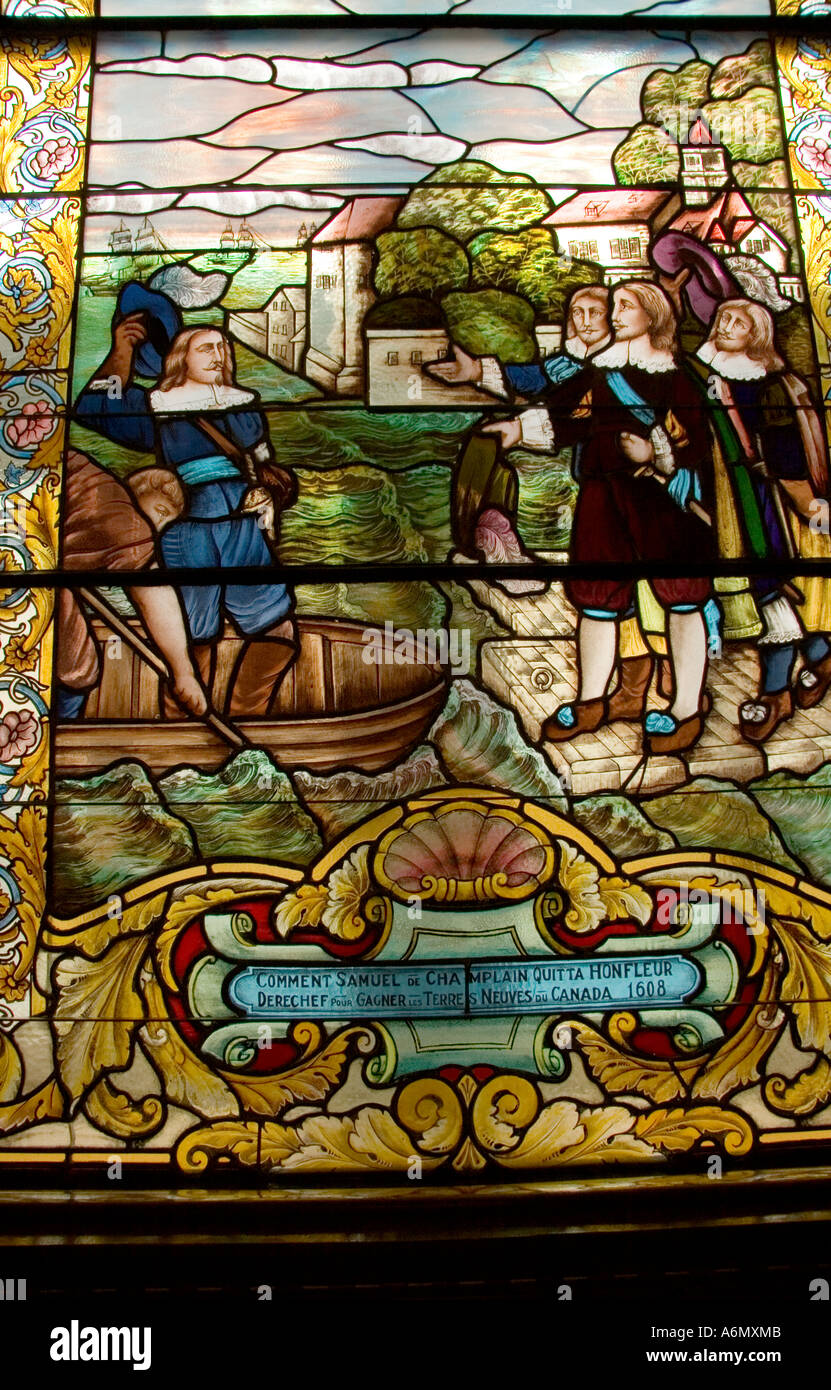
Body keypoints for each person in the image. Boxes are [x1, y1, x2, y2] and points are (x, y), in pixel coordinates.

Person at [506, 281, 715, 756]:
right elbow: (566, 418)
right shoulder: (601, 372)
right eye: (614, 305)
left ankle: (684, 710)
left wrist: (657, 450)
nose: (614, 314)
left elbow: (699, 443)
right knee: (596, 594)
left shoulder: (677, 378)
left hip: (660, 498)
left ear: (655, 317)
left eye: (626, 306)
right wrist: (515, 428)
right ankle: (591, 700)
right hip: (602, 488)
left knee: (682, 596)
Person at [74, 283, 297, 718]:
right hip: (188, 535)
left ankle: (246, 721)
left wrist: (267, 492)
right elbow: (94, 407)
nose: (218, 354)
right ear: (179, 358)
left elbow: (266, 466)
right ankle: (183, 734)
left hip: (243, 526)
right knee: (194, 639)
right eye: (204, 348)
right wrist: (122, 349)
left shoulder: (244, 406)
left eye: (222, 347)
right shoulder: (156, 406)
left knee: (278, 630)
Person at [692, 297, 831, 742]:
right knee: (747, 596)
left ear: (758, 334)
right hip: (710, 498)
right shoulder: (697, 373)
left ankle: (775, 694)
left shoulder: (770, 385)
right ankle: (822, 655)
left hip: (756, 502)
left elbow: (786, 457)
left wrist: (809, 506)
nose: (728, 326)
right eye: (723, 318)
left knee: (766, 592)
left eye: (740, 321)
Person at [57, 448, 207, 720]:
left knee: (77, 664)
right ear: (135, 490)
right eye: (161, 510)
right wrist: (184, 673)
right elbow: (152, 590)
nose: (159, 525)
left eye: (167, 523)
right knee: (76, 670)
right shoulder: (123, 520)